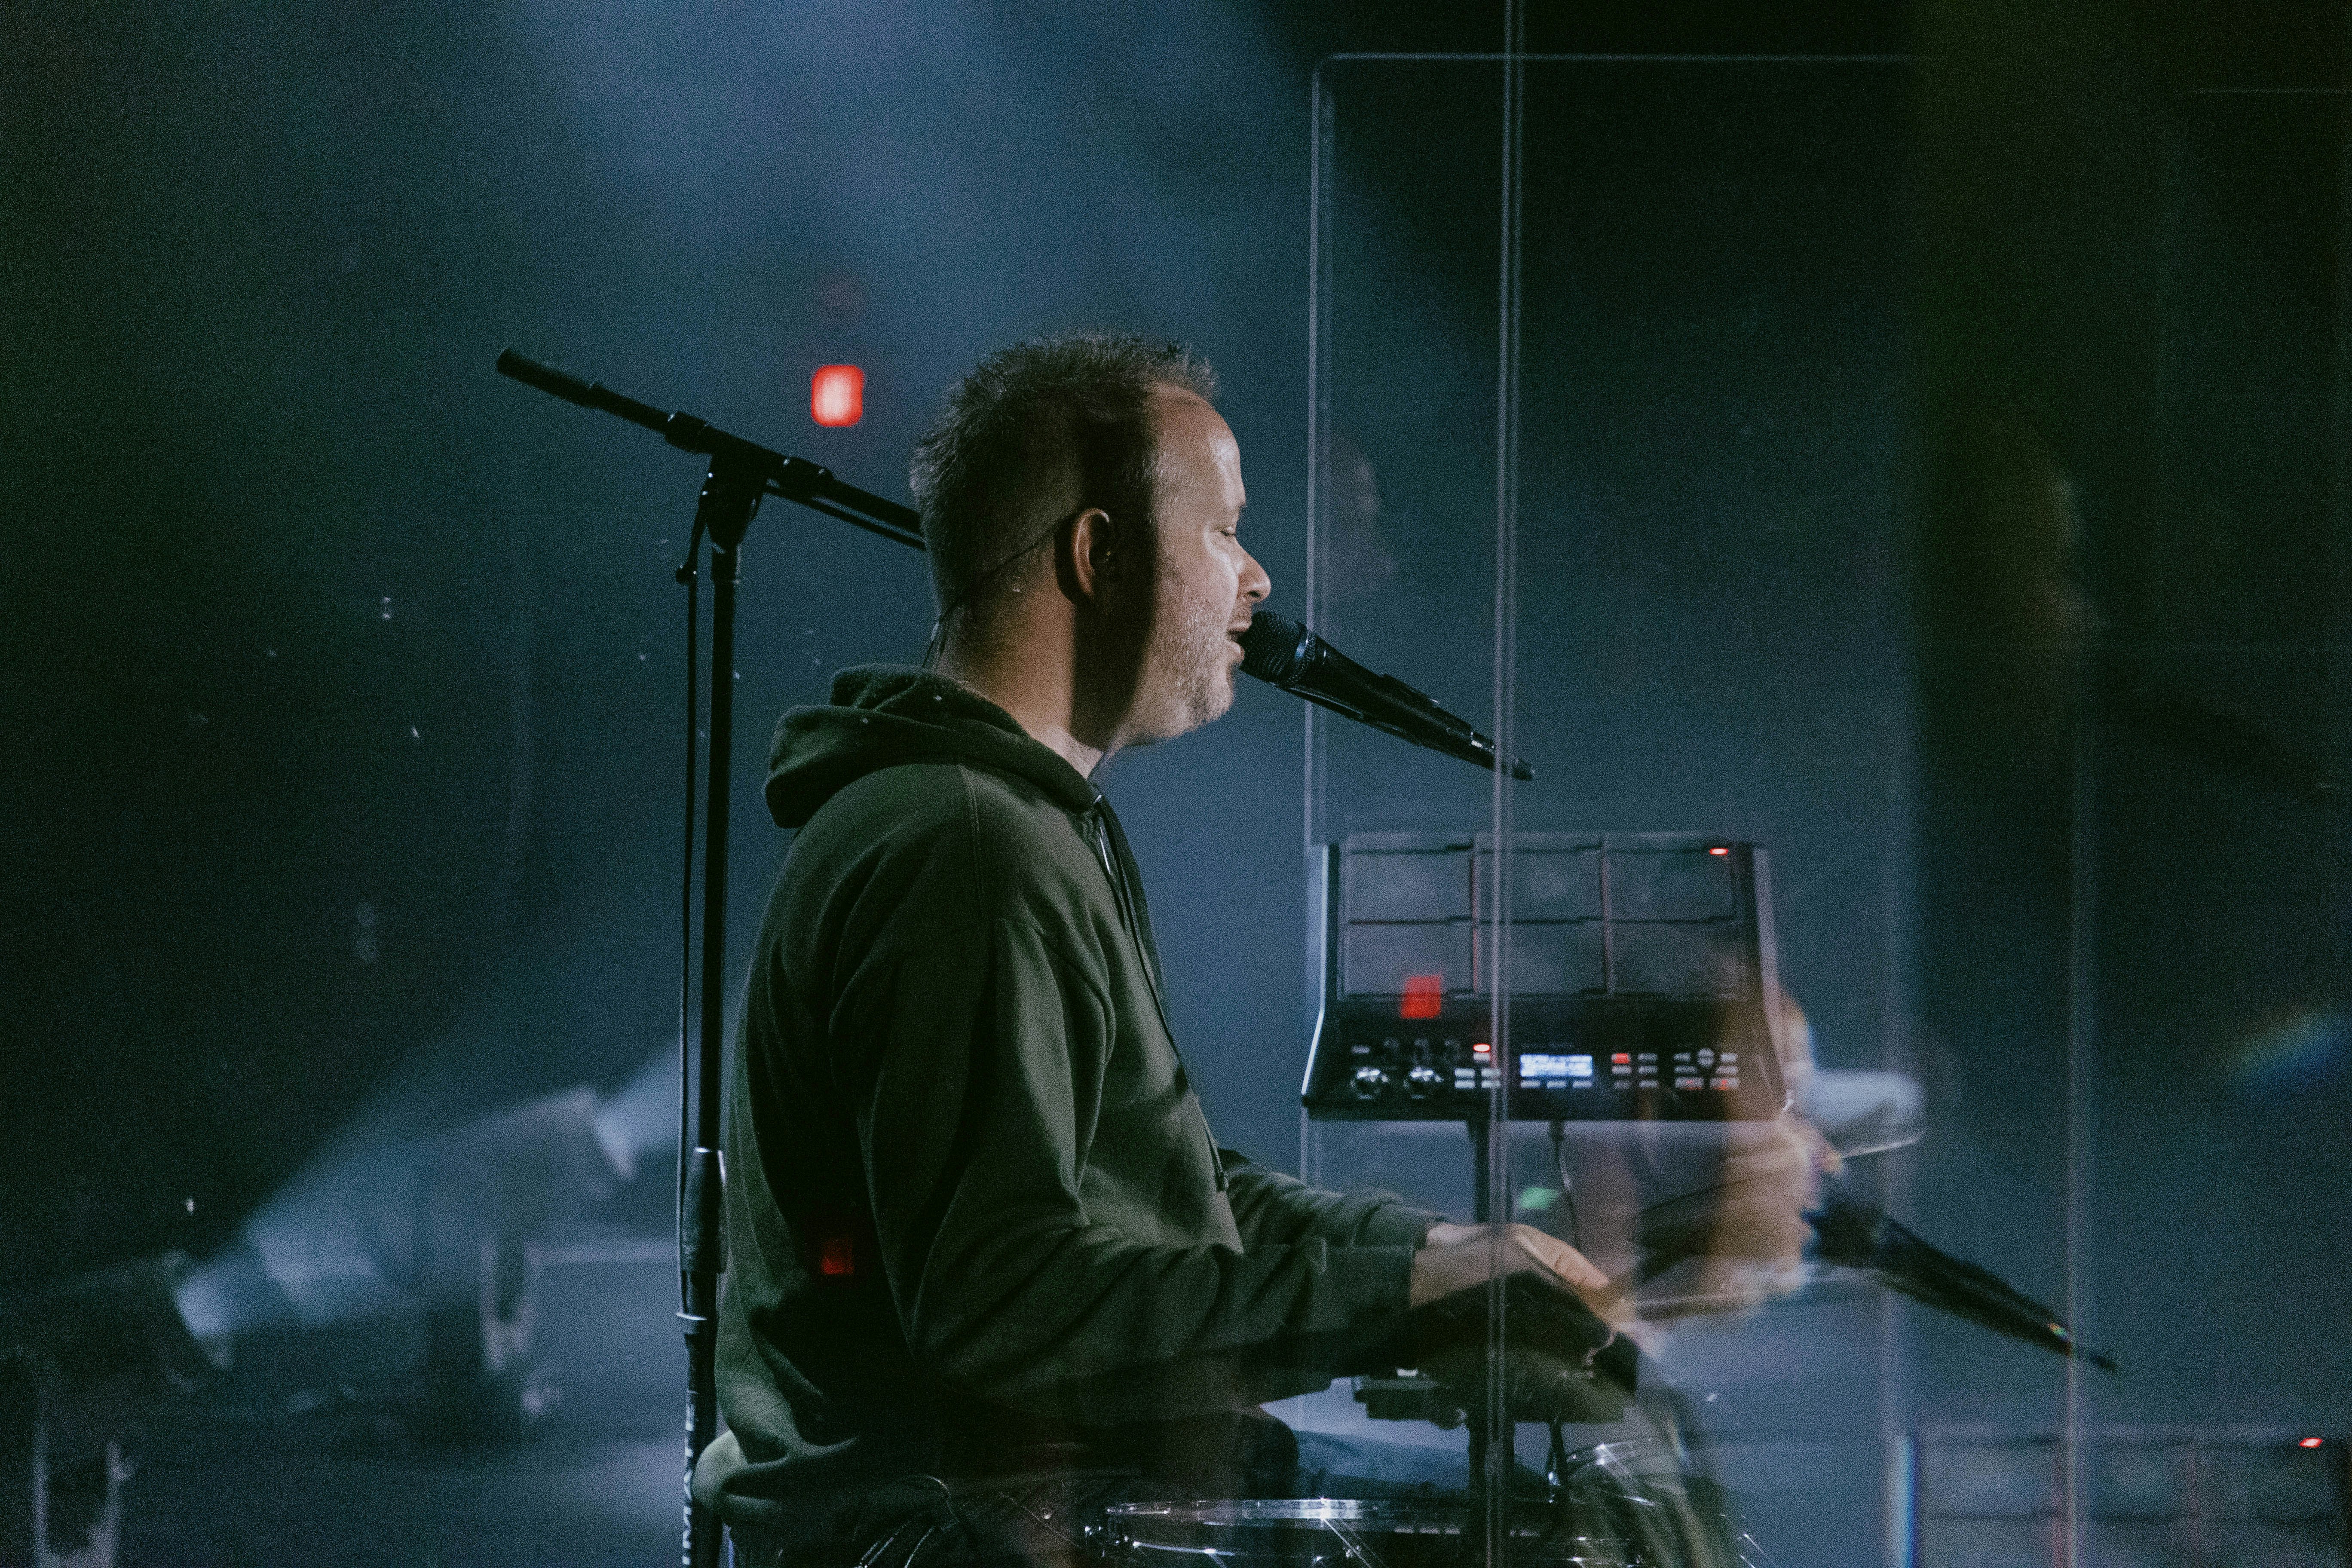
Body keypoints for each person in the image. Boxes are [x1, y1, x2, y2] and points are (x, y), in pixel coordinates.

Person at [691, 335, 1606, 1566]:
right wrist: (1401, 1303)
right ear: (1097, 554)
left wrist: (1418, 1254)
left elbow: (1157, 1197)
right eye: (1224, 530)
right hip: (953, 1536)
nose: (1259, 578)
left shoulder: (1009, 826)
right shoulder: (966, 851)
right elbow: (1010, 1306)